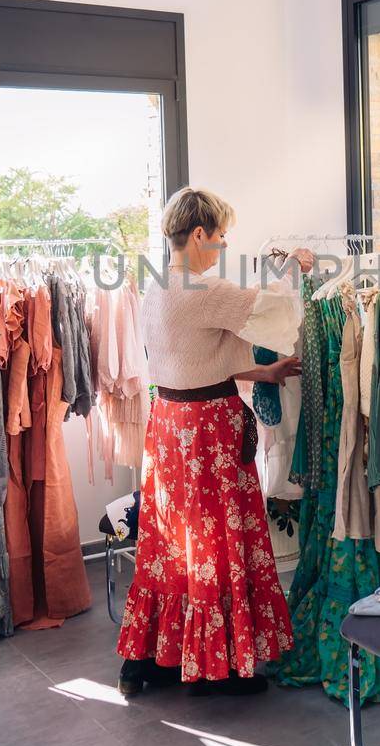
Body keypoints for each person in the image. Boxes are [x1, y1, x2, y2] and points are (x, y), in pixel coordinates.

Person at [115, 187, 312, 696]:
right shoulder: (206, 290)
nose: (223, 245)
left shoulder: (154, 287)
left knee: (169, 541)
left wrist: (264, 372)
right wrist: (293, 266)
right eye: (221, 235)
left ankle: (154, 656)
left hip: (169, 423)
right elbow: (274, 310)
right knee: (216, 540)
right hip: (208, 429)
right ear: (198, 233)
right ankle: (218, 665)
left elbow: (194, 356)